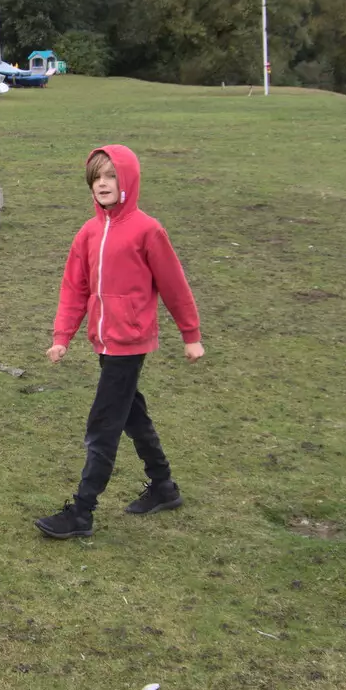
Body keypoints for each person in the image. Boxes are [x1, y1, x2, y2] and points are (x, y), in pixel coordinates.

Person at [35, 145, 204, 540]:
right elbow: (73, 289)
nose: (103, 183)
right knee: (132, 414)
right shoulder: (88, 232)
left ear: (127, 179)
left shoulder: (148, 230)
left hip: (130, 341)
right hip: (103, 342)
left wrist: (190, 335)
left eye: (110, 176)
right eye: (96, 177)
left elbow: (174, 285)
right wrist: (63, 337)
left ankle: (82, 511)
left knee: (103, 425)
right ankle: (164, 487)